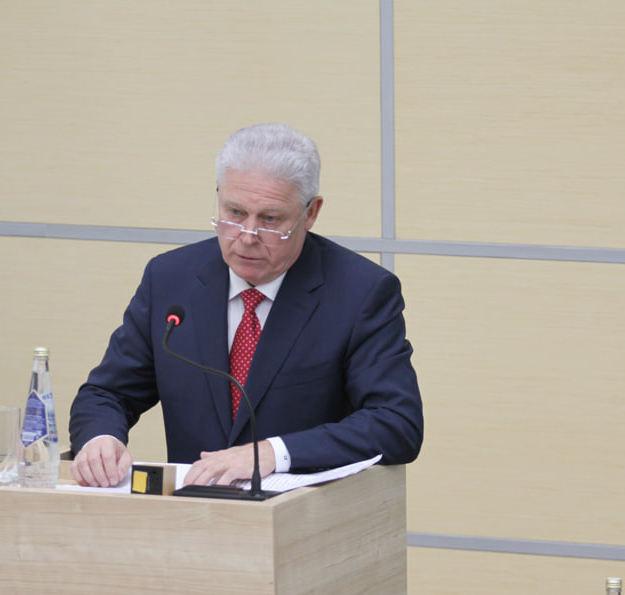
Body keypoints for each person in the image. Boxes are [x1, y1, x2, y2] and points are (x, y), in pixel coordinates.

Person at [68, 123, 423, 488]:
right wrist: (100, 439)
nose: (248, 237)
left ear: (310, 213)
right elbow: (107, 393)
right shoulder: (170, 279)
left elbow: (396, 423)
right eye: (235, 213)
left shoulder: (360, 293)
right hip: (193, 513)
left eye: (270, 219)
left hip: (300, 515)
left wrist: (274, 453)